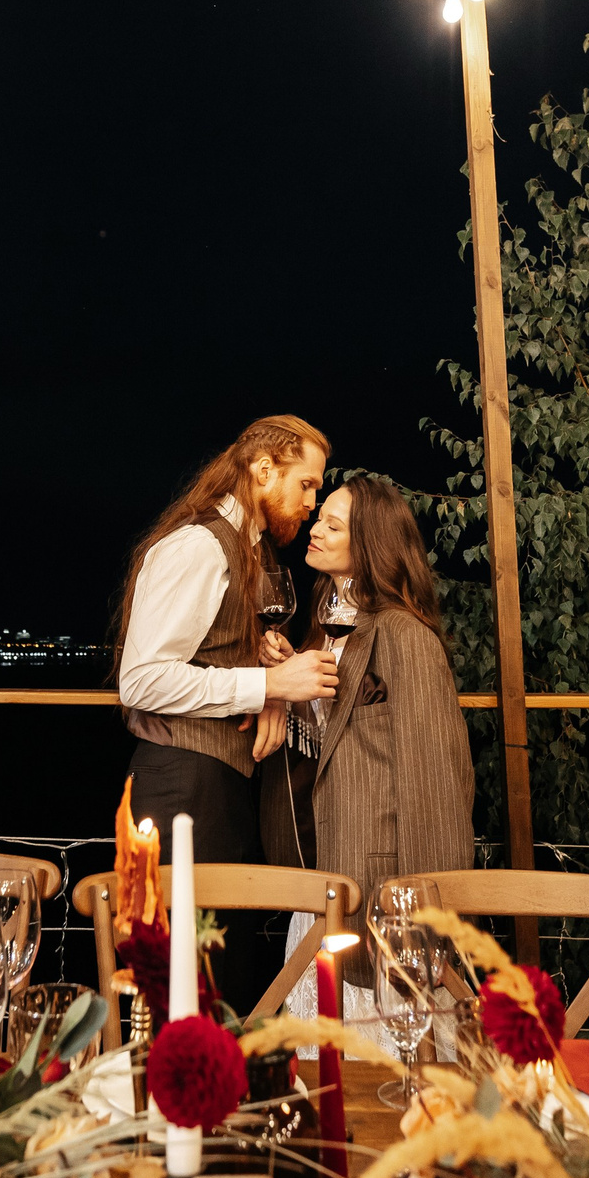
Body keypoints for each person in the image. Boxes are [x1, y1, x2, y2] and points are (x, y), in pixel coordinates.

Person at [260, 474, 472, 982]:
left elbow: (437, 790)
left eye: (333, 526)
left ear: (370, 545)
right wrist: (296, 678)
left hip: (381, 892)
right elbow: (338, 737)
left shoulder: (404, 635)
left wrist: (427, 921)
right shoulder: (325, 625)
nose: (315, 529)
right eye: (319, 519)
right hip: (325, 876)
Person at [116, 415, 340, 865]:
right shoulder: (198, 545)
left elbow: (210, 653)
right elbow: (141, 681)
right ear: (263, 472)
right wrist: (270, 687)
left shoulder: (250, 548)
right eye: (306, 484)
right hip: (181, 786)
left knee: (222, 936)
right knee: (181, 937)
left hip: (219, 784)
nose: (312, 502)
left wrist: (267, 680)